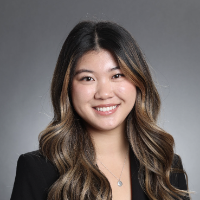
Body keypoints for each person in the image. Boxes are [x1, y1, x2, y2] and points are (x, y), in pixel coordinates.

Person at [10, 21, 190, 200]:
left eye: (117, 75)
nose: (104, 93)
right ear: (67, 88)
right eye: (87, 78)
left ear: (138, 81)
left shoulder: (167, 167)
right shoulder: (37, 170)